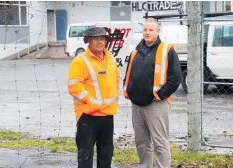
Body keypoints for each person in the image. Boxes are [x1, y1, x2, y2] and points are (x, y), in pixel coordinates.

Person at [123, 18, 182, 168]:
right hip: (136, 105)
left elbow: (175, 78)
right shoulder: (136, 52)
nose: (147, 33)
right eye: (145, 30)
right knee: (141, 142)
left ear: (158, 31)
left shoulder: (167, 50)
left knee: (160, 143)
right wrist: (128, 90)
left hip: (156, 104)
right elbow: (128, 74)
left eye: (151, 30)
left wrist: (160, 95)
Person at [67, 27, 120, 168]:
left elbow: (116, 81)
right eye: (96, 38)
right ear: (88, 41)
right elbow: (74, 86)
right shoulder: (80, 61)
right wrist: (90, 102)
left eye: (102, 38)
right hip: (88, 116)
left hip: (107, 115)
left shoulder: (111, 59)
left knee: (106, 154)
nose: (100, 41)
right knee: (85, 156)